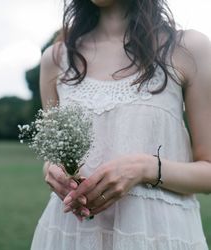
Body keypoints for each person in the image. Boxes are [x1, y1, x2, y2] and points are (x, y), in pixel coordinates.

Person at [31, 0, 211, 249]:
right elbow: (53, 159)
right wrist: (53, 171)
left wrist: (145, 167)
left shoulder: (189, 48)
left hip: (157, 237)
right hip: (71, 235)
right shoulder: (56, 58)